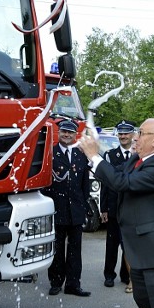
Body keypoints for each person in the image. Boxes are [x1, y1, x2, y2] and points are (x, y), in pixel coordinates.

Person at [80, 118, 154, 308]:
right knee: (143, 299)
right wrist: (89, 153)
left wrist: (94, 156)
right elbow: (114, 173)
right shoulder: (137, 160)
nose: (135, 138)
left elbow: (122, 183)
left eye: (141, 133)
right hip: (141, 251)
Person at [43, 119, 92, 297]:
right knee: (56, 248)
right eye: (64, 131)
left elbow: (84, 184)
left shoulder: (80, 154)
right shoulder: (50, 153)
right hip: (57, 208)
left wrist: (85, 205)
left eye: (70, 132)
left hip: (76, 210)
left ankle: (73, 284)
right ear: (59, 132)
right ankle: (56, 282)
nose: (67, 135)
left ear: (75, 134)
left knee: (75, 249)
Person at [101, 120, 134, 290]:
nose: (123, 136)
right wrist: (104, 208)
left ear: (132, 134)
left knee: (127, 243)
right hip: (114, 205)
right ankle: (109, 274)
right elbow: (105, 184)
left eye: (126, 133)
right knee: (112, 243)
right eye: (120, 133)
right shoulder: (110, 155)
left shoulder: (137, 155)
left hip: (129, 206)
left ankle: (125, 274)